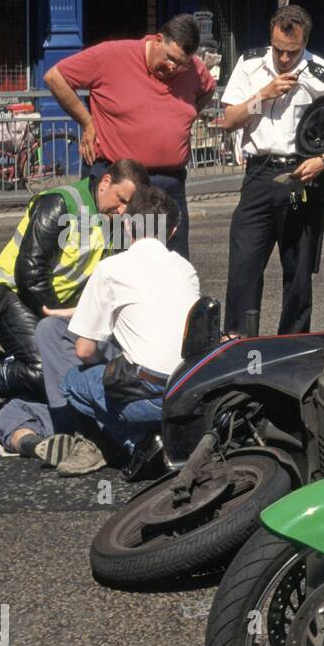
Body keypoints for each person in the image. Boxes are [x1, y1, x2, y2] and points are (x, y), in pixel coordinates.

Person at [0, 160, 148, 440]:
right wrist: (63, 324)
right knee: (45, 370)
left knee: (71, 373)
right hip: (12, 295)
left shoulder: (115, 221)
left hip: (53, 306)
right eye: (120, 200)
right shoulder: (62, 204)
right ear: (105, 182)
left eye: (130, 206)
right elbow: (29, 273)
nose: (123, 210)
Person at [218, 5, 324, 338]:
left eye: (292, 52)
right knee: (243, 266)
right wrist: (263, 95)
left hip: (301, 175)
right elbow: (228, 121)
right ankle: (239, 341)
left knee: (298, 272)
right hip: (258, 174)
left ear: (305, 42)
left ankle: (290, 345)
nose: (284, 59)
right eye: (279, 51)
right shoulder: (251, 64)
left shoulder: (322, 73)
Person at [53, 187, 201, 476]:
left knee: (72, 382)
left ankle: (137, 443)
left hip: (149, 395)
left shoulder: (110, 269)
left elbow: (85, 351)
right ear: (171, 231)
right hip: (189, 390)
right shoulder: (185, 269)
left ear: (127, 225)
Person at [44, 14, 215, 259]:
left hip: (168, 185)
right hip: (121, 183)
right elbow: (55, 77)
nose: (173, 68)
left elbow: (207, 90)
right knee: (113, 263)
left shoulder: (194, 69)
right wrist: (87, 122)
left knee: (170, 266)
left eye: (182, 64)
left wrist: (184, 116)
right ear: (157, 40)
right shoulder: (113, 56)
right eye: (170, 59)